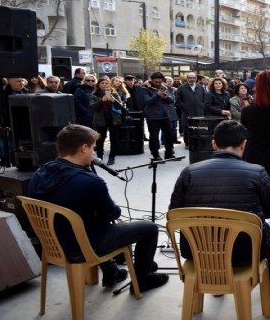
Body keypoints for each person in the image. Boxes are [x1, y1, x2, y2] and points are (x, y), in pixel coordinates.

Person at [28, 124, 169, 292]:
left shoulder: (40, 174)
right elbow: (113, 214)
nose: (94, 153)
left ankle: (111, 271)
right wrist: (112, 205)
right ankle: (142, 281)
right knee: (150, 228)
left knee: (89, 223)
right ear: (84, 148)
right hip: (81, 248)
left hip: (53, 244)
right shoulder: (90, 182)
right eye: (93, 148)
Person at [168, 120, 270, 299]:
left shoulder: (188, 172)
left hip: (200, 253)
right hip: (245, 252)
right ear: (244, 144)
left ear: (214, 144)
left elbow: (174, 213)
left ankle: (215, 281)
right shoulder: (257, 172)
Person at [139, 72, 176, 161]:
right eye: (156, 82)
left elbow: (171, 101)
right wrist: (157, 95)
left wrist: (166, 97)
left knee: (170, 136)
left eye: (160, 82)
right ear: (152, 80)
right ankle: (156, 155)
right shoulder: (145, 89)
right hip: (153, 117)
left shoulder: (164, 87)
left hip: (165, 115)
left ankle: (169, 153)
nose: (158, 84)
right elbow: (146, 102)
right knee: (154, 137)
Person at [89, 76, 124, 165]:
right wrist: (101, 100)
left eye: (106, 83)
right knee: (100, 139)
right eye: (102, 83)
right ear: (98, 85)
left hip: (114, 119)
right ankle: (100, 156)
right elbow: (92, 107)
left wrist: (113, 100)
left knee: (114, 139)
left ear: (109, 84)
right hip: (101, 119)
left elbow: (120, 107)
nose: (104, 85)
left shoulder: (114, 94)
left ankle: (112, 157)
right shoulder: (94, 95)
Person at [175, 72, 206, 146]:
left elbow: (204, 99)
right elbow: (178, 101)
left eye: (193, 78)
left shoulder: (200, 87)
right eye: (190, 78)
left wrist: (202, 106)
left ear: (196, 78)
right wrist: (185, 107)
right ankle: (188, 144)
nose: (191, 79)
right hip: (187, 113)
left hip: (199, 112)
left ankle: (198, 143)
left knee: (199, 128)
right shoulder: (181, 88)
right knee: (187, 129)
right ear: (187, 78)